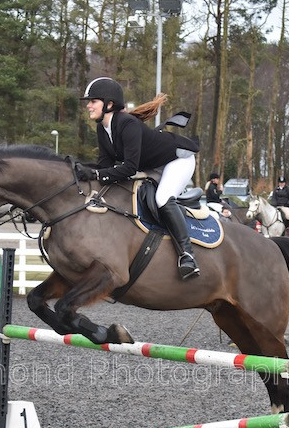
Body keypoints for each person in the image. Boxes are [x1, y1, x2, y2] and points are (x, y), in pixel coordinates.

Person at [76, 77, 201, 279]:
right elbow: (105, 167)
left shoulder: (127, 124)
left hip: (178, 159)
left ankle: (187, 255)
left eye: (93, 101)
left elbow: (129, 168)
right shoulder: (103, 128)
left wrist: (98, 174)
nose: (88, 105)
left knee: (162, 198)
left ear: (108, 104)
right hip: (153, 165)